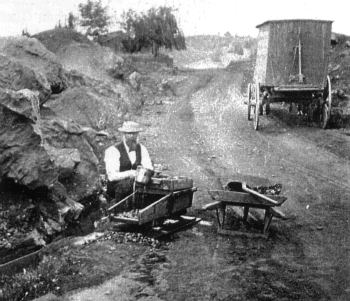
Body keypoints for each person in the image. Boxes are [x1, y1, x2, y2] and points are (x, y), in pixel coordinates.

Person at [104, 121, 153, 208]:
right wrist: (131, 173)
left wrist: (145, 172)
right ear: (123, 134)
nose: (132, 137)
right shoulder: (112, 151)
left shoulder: (142, 149)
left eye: (134, 134)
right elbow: (112, 177)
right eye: (129, 134)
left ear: (137, 134)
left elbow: (148, 167)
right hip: (116, 190)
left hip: (136, 187)